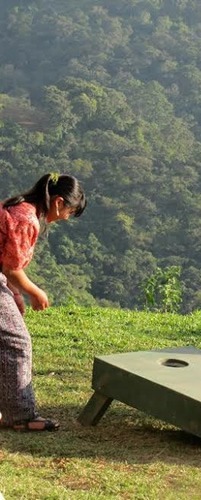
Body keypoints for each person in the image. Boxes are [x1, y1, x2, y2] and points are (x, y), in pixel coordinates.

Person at [0, 173, 86, 431]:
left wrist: (14, 293)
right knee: (17, 342)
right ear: (58, 202)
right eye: (69, 212)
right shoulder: (26, 218)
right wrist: (35, 292)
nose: (66, 218)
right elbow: (12, 267)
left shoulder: (19, 206)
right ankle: (22, 416)